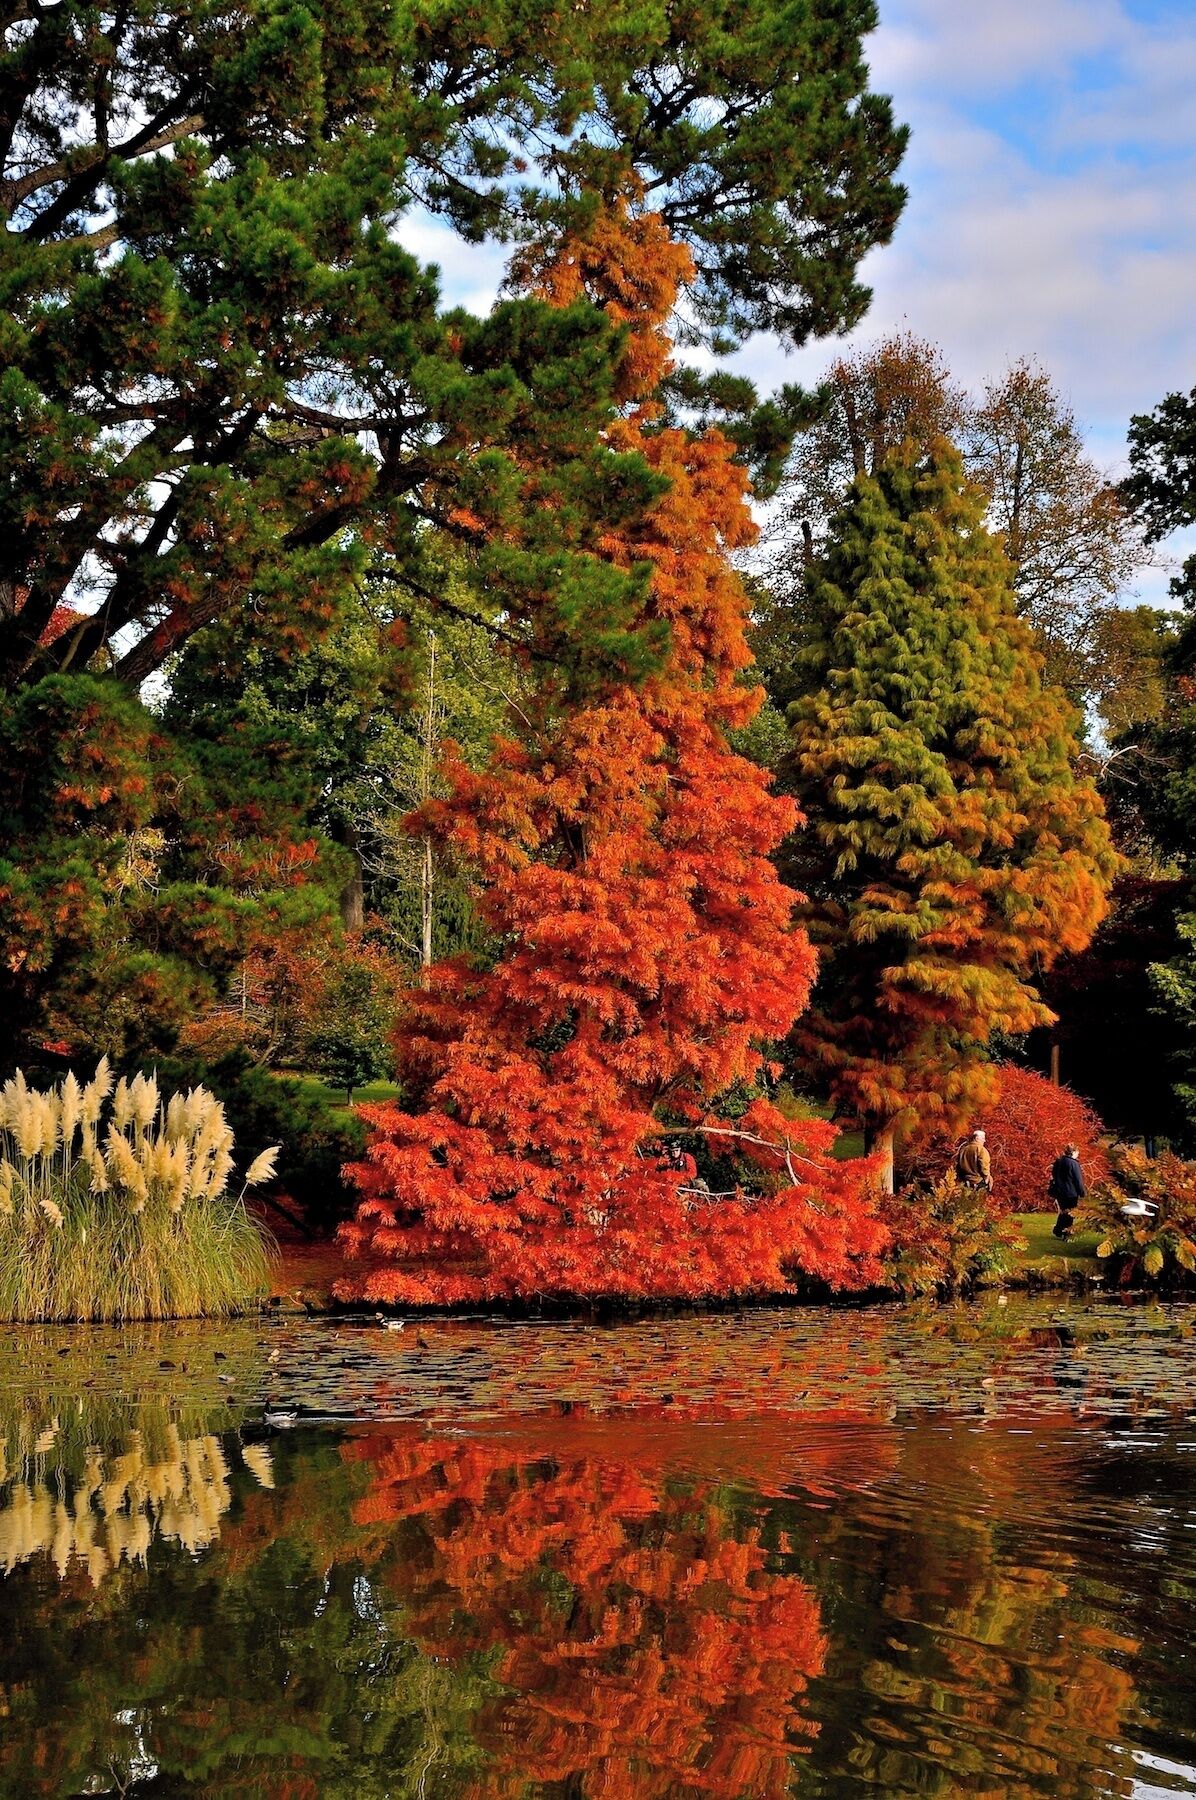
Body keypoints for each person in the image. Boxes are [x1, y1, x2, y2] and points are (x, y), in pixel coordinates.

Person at [1048, 1143, 1086, 1239]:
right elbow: (1078, 1180)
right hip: (1070, 1192)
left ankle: (1058, 1229)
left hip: (1059, 1191)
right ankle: (1066, 1232)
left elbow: (1054, 1175)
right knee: (1070, 1213)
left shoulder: (1058, 1162)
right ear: (1073, 1152)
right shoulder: (1074, 1164)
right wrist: (1082, 1192)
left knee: (1063, 1211)